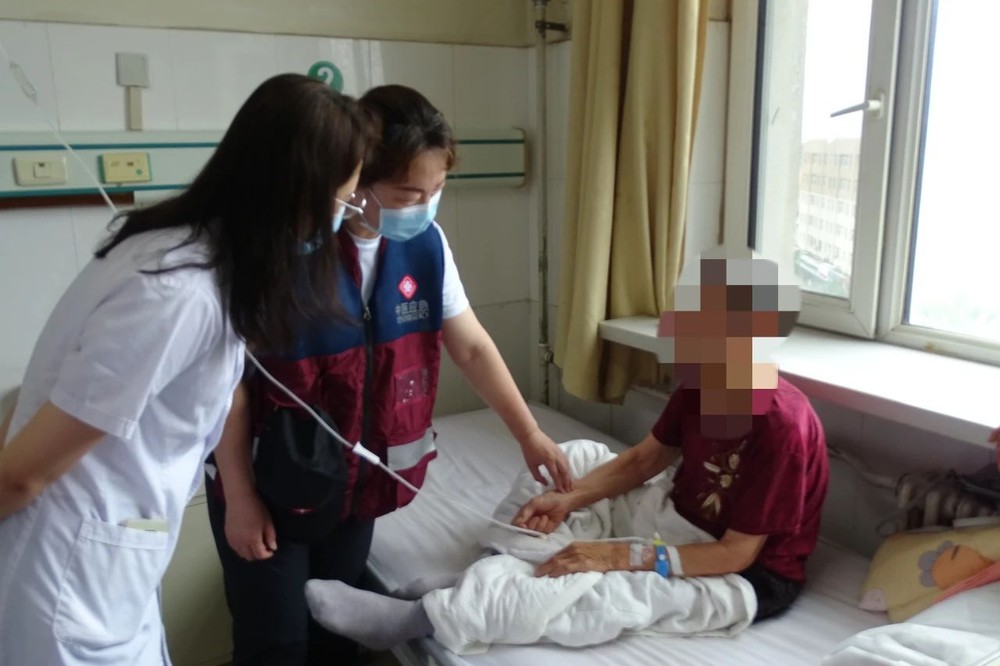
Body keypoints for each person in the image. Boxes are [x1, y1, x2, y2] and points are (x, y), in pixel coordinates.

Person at [0, 74, 372, 666]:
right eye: (343, 201)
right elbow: (20, 474)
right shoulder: (175, 293)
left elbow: (209, 394)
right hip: (64, 582)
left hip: (108, 563)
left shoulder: (203, 260)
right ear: (299, 195)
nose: (343, 217)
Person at [300, 247, 830, 650]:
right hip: (675, 519)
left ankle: (423, 618)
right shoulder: (701, 384)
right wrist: (568, 498)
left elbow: (736, 553)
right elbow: (645, 460)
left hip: (737, 573)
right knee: (571, 461)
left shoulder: (781, 427)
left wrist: (618, 556)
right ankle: (491, 573)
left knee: (603, 591)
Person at [207, 84, 572, 666]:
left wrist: (528, 433)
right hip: (270, 482)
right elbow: (226, 382)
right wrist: (239, 496)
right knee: (276, 644)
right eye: (408, 192)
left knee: (336, 637)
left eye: (437, 189)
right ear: (355, 179)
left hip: (359, 483)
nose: (424, 206)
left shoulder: (426, 246)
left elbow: (471, 346)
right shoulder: (286, 250)